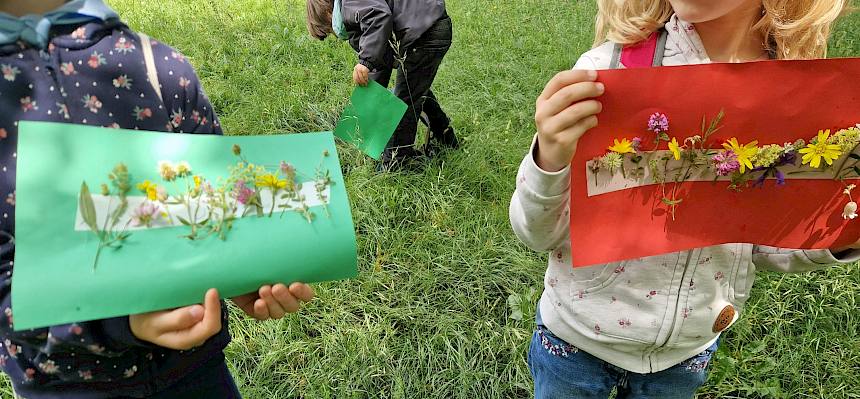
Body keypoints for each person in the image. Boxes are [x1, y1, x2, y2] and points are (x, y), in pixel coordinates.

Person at [510, 0, 855, 397]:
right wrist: (549, 158)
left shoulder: (790, 97)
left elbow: (758, 245)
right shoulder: (609, 72)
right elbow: (536, 233)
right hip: (577, 340)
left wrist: (840, 235)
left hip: (686, 354)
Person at [0, 1, 314, 397]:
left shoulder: (159, 67)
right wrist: (122, 321)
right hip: (65, 383)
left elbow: (213, 209)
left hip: (194, 370)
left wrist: (240, 273)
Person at [306, 0, 458, 169]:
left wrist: (365, 61)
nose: (336, 34)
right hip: (428, 27)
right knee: (414, 88)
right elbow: (382, 57)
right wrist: (367, 100)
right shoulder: (356, 10)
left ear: (327, 13)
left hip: (426, 33)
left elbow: (379, 17)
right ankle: (446, 138)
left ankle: (395, 165)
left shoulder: (349, 4)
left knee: (404, 101)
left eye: (329, 29)